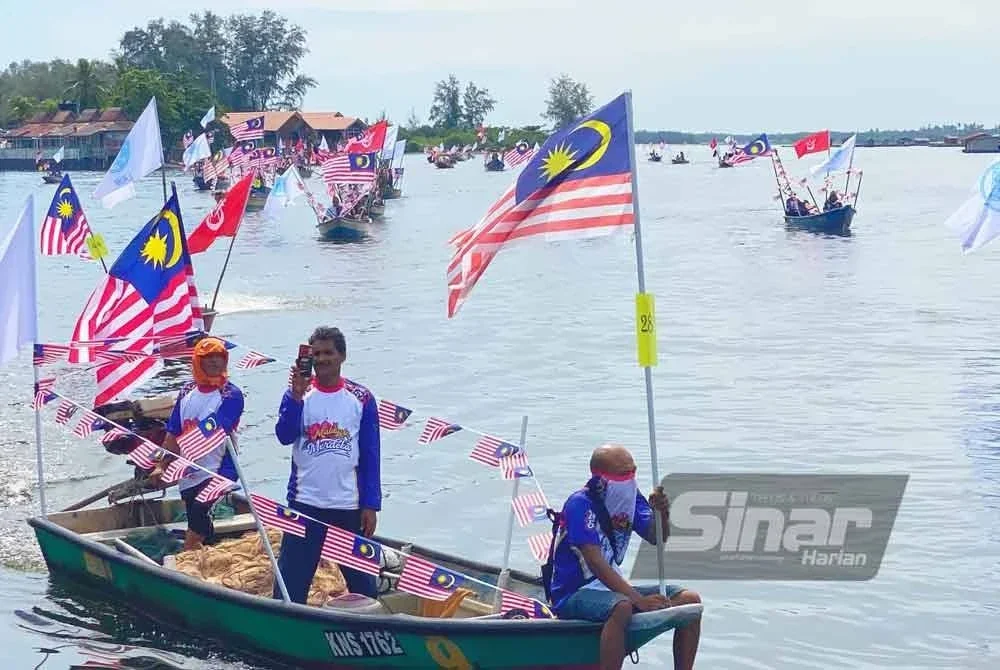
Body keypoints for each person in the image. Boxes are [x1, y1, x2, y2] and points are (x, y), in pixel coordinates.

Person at [547, 445, 701, 670]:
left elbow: (657, 537)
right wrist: (638, 600)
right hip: (574, 593)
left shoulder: (631, 498)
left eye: (633, 472)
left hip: (614, 591)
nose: (629, 479)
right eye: (622, 474)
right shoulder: (580, 504)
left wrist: (662, 514)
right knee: (622, 607)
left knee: (691, 601)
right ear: (600, 477)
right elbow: (596, 563)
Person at [273, 326, 382, 603]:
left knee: (364, 588)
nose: (322, 359)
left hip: (349, 506)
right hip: (306, 504)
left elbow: (370, 454)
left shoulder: (362, 398)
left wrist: (371, 504)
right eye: (317, 354)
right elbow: (284, 436)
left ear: (342, 356)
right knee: (290, 587)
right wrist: (295, 397)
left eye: (328, 353)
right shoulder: (299, 394)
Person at [149, 336, 244, 550]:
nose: (214, 362)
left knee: (200, 511)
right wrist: (161, 466)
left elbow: (214, 429)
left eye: (219, 357)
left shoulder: (231, 394)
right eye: (207, 357)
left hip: (219, 470)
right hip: (189, 473)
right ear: (197, 361)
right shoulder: (186, 392)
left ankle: (187, 557)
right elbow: (173, 433)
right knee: (197, 520)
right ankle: (209, 555)